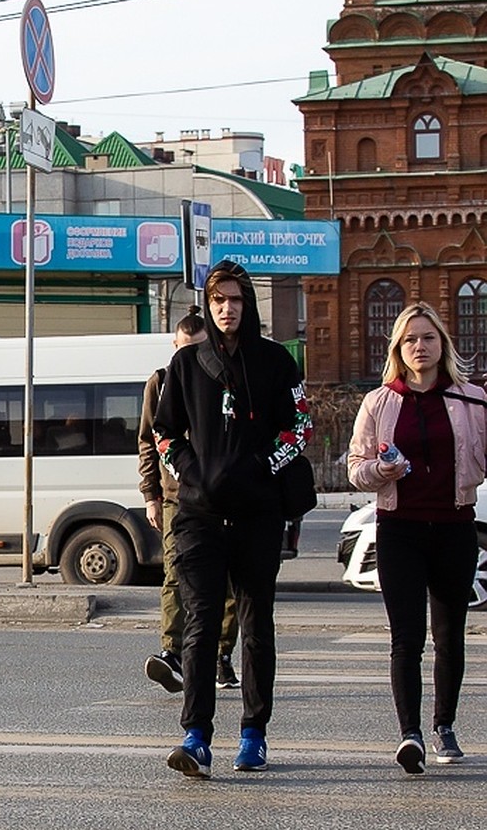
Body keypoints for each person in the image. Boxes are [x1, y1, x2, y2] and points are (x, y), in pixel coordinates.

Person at [153, 261, 313, 777]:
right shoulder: (185, 366)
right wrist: (192, 474)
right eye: (218, 301)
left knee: (254, 624)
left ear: (249, 304)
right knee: (200, 624)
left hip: (257, 516)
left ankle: (254, 733)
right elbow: (164, 432)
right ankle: (196, 734)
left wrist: (263, 467)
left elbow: (301, 426)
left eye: (236, 300)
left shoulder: (275, 362)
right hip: (198, 515)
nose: (227, 309)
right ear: (207, 304)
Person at [347, 302, 487, 774]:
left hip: (454, 526)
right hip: (399, 529)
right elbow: (355, 468)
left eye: (428, 338)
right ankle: (411, 735)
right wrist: (381, 470)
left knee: (449, 637)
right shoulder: (379, 402)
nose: (420, 347)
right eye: (410, 339)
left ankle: (444, 724)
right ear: (398, 349)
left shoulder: (472, 399)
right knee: (406, 639)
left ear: (442, 344)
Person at [139, 306, 240, 694]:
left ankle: (221, 655)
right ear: (173, 345)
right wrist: (150, 495)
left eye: (197, 349)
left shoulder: (225, 377)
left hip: (222, 497)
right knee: (175, 574)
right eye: (183, 348)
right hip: (176, 497)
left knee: (229, 579)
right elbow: (149, 441)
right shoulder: (161, 382)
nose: (189, 357)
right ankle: (172, 652)